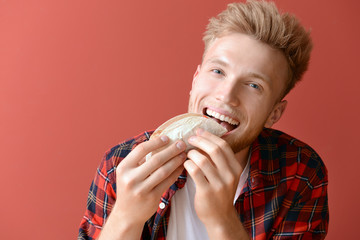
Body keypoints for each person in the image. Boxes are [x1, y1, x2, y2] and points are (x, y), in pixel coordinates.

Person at [78, 1, 329, 239]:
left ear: (275, 113)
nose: (227, 96)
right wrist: (125, 217)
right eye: (218, 71)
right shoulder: (122, 166)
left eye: (254, 85)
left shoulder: (299, 173)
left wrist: (221, 221)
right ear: (195, 79)